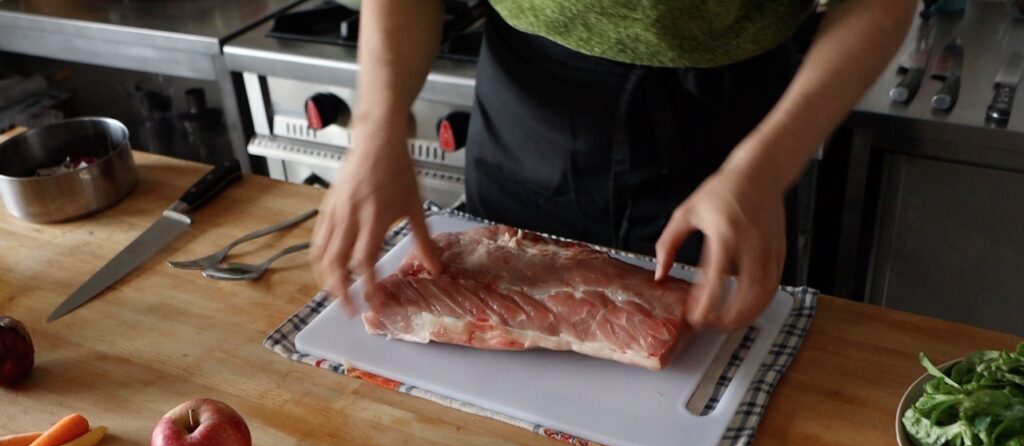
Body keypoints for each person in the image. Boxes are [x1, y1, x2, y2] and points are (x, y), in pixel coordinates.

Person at [311, 0, 915, 331]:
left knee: (713, 349)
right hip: (529, 103)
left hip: (735, 133)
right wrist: (377, 125)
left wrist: (768, 164)